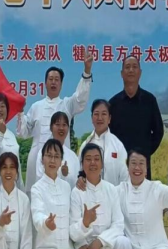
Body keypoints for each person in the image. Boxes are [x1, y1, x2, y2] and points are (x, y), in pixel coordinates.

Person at [69, 143, 134, 249]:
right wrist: (82, 240)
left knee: (125, 243)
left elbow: (118, 223)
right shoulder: (77, 192)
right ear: (82, 164)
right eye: (88, 159)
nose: (93, 163)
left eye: (96, 159)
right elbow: (73, 229)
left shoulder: (111, 189)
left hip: (106, 245)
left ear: (102, 163)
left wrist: (100, 241)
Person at [18, 55, 93, 192]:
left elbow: (80, 98)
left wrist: (87, 72)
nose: (53, 82)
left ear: (61, 84)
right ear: (45, 83)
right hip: (36, 161)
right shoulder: (36, 107)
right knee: (35, 194)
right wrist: (20, 112)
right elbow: (23, 132)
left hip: (61, 161)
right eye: (50, 79)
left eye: (57, 80)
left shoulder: (67, 104)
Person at [31, 139, 89, 249]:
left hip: (66, 248)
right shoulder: (37, 188)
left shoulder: (66, 187)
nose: (52, 160)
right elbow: (37, 214)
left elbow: (72, 219)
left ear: (61, 161)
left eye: (56, 156)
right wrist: (46, 223)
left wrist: (84, 227)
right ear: (42, 159)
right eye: (49, 155)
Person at [108, 57, 164, 179]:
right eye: (127, 67)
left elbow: (158, 132)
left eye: (134, 67)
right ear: (121, 74)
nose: (131, 70)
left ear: (140, 72)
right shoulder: (113, 103)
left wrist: (145, 153)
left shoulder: (149, 100)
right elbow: (108, 136)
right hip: (119, 166)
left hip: (142, 167)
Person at [78, 100, 128, 187]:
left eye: (104, 114)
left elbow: (125, 178)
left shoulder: (118, 146)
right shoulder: (85, 145)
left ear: (109, 118)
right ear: (92, 118)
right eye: (96, 114)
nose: (100, 118)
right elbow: (79, 173)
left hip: (113, 194)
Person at [49, 112, 80, 190]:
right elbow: (41, 180)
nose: (61, 128)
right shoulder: (43, 153)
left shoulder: (73, 156)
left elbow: (77, 184)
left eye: (64, 125)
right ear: (51, 128)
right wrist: (61, 174)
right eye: (57, 124)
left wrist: (66, 175)